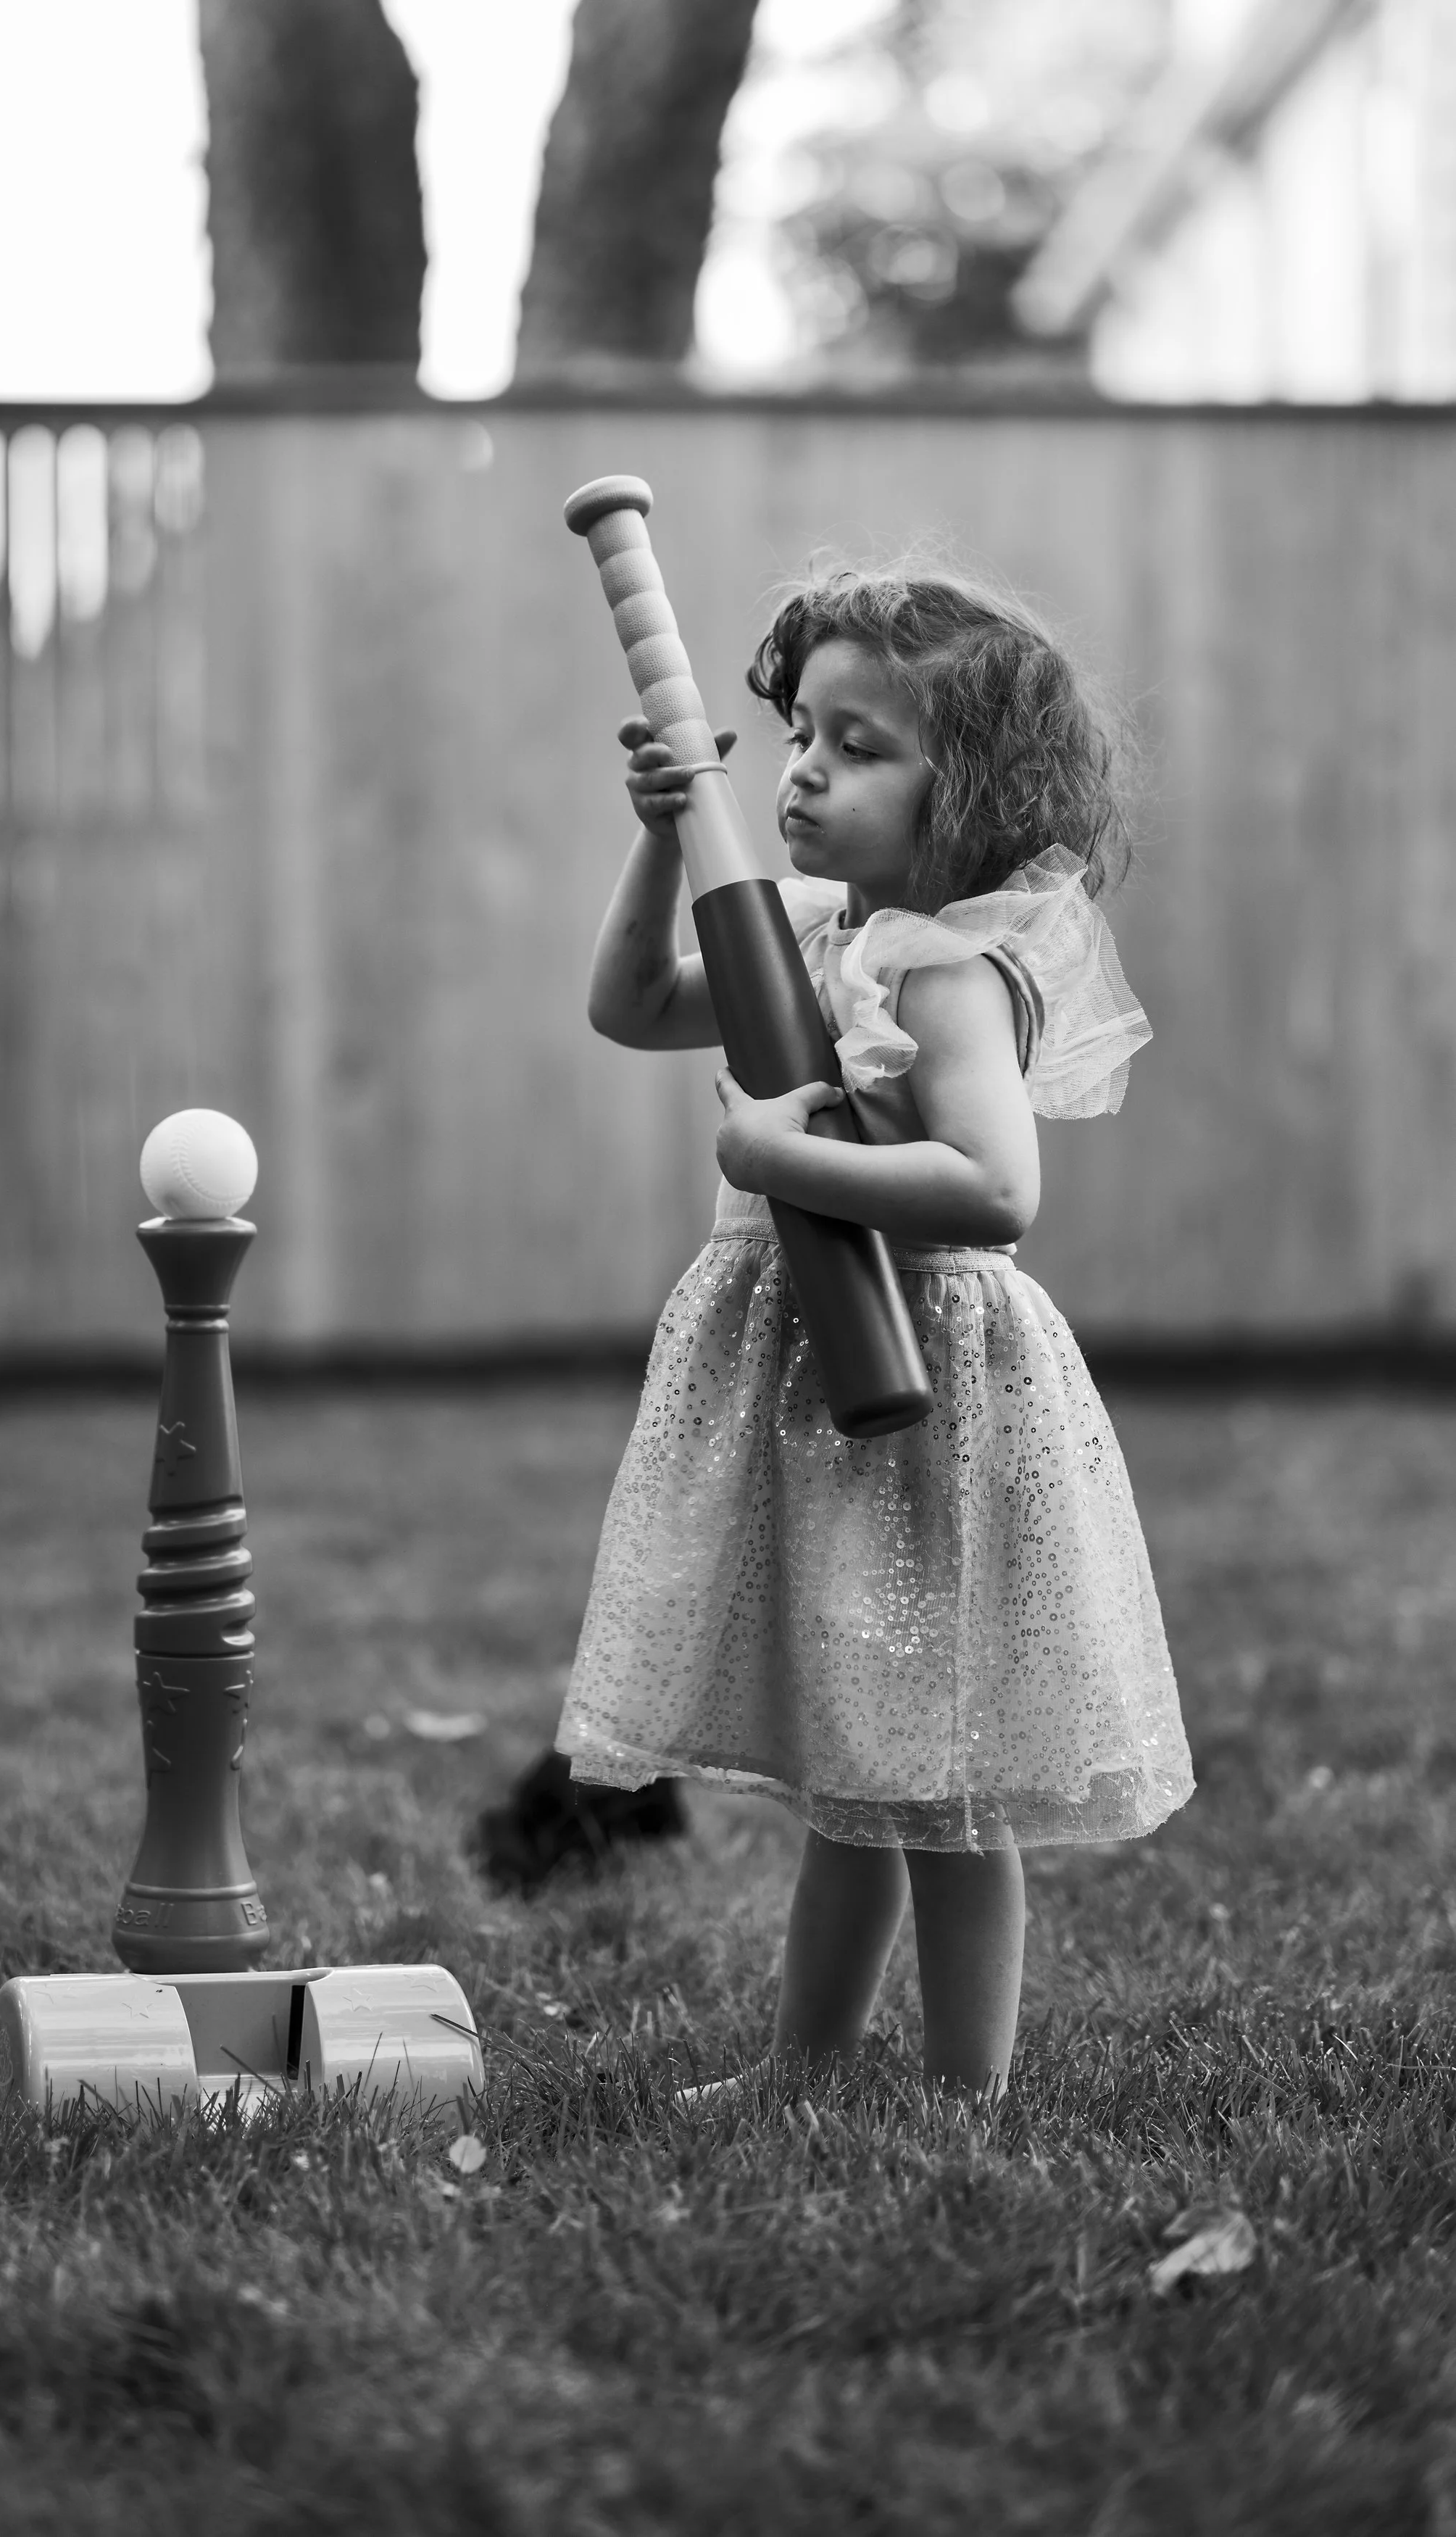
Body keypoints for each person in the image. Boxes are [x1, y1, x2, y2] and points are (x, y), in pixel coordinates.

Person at [554, 565, 1194, 2099]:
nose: (803, 771)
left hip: (931, 1388)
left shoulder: (943, 971)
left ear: (963, 794)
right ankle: (807, 2064)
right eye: (799, 734)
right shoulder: (806, 932)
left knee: (947, 1782)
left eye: (859, 747)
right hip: (810, 1380)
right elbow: (630, 1006)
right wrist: (660, 838)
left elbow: (991, 1188)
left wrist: (777, 1156)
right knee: (853, 1770)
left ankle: (967, 2093)